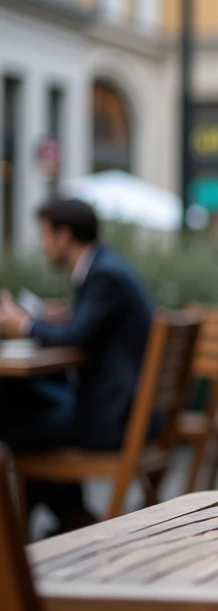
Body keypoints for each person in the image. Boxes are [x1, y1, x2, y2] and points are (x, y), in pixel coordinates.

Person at [0, 199, 153, 533]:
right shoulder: (104, 266)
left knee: (12, 418)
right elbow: (85, 329)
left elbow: (76, 337)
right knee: (21, 400)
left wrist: (22, 323)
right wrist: (64, 317)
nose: (43, 246)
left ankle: (49, 527)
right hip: (126, 407)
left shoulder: (104, 275)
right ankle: (71, 516)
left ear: (64, 236)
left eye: (44, 236)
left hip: (114, 418)